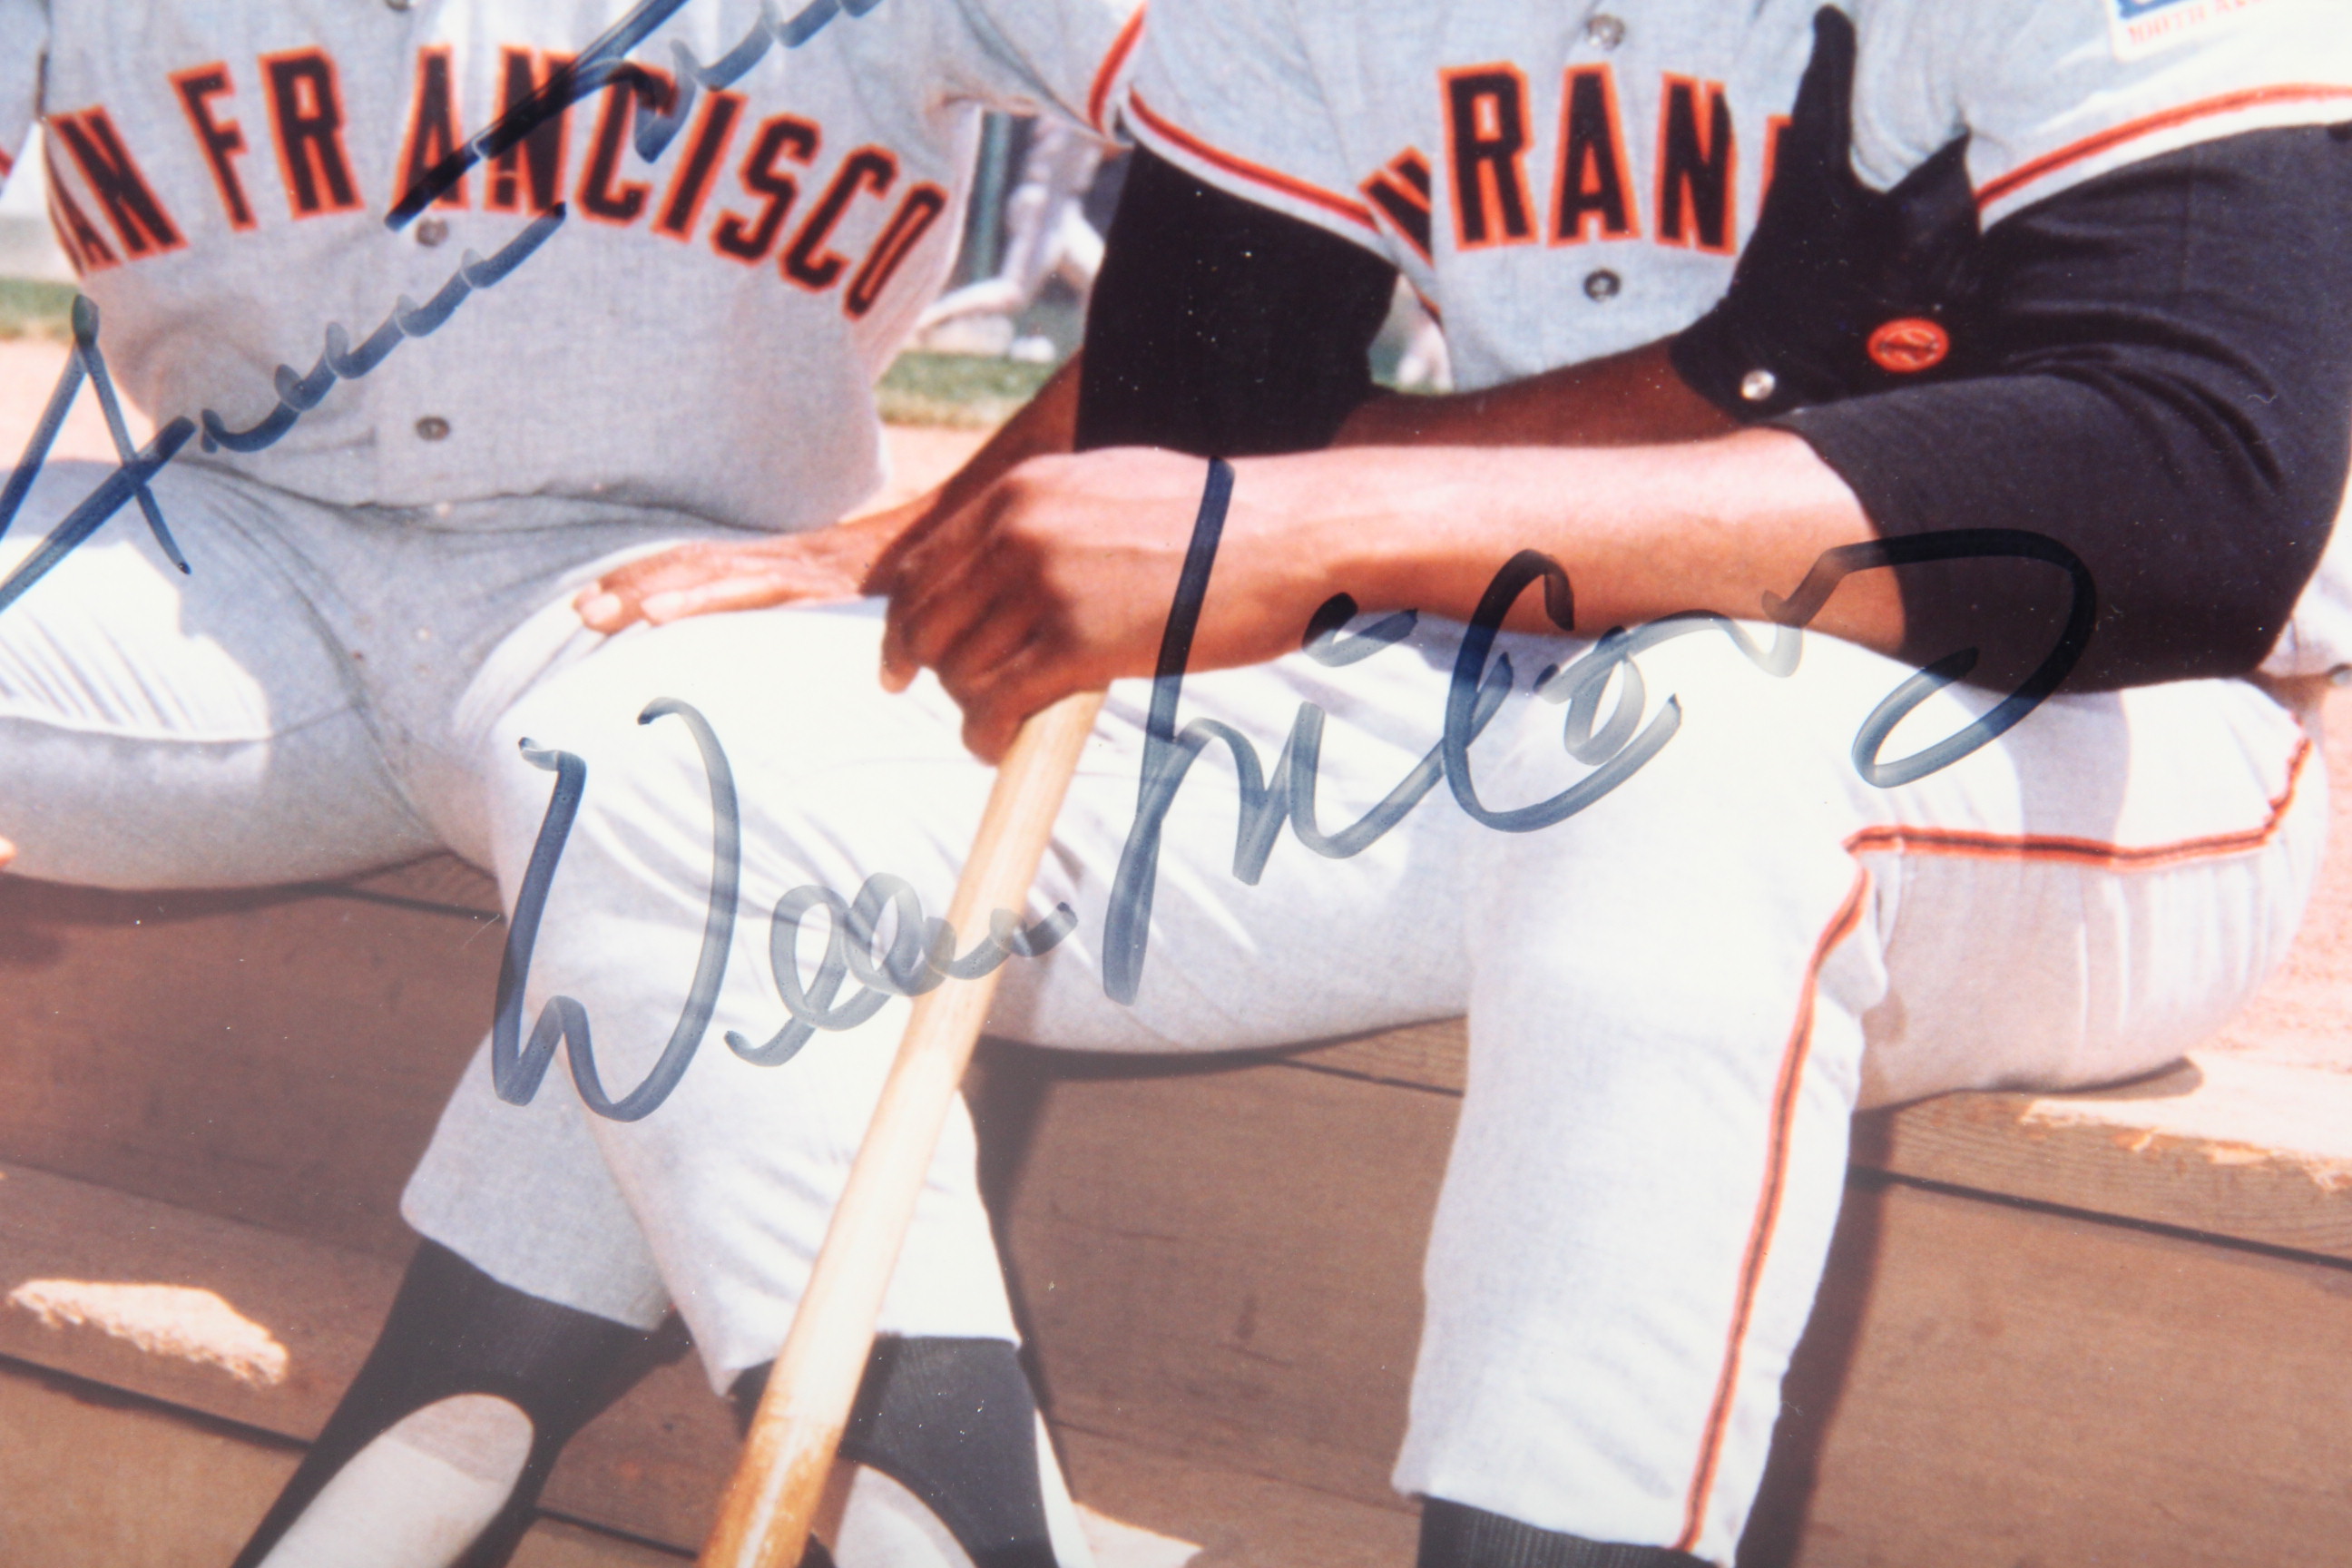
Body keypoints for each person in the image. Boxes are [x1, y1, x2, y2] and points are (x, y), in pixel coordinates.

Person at [450, 0, 2352, 1563]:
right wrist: (932, 540)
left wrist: (1336, 513)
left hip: (2087, 738)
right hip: (1501, 690)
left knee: (1698, 737)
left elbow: (2184, 495)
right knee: (676, 740)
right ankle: (952, 1534)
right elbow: (1207, 428)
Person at [0, 0, 1142, 1563]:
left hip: (673, 594)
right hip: (231, 568)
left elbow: (1273, 184)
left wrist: (933, 530)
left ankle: (947, 1526)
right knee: (671, 814)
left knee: (684, 798)